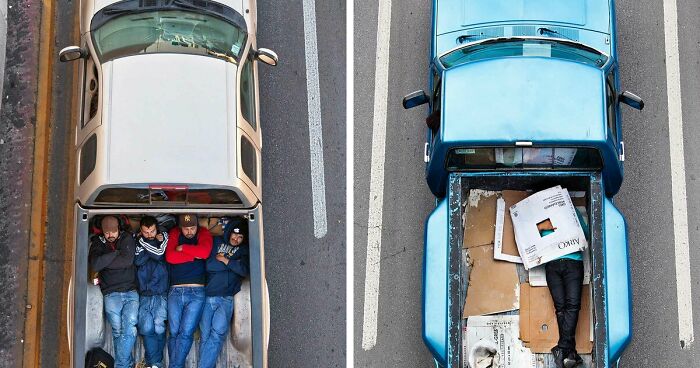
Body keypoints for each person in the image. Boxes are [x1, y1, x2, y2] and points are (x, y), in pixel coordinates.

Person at [199, 218, 250, 368]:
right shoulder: (216, 242)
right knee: (205, 335)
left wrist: (226, 261)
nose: (236, 239)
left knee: (217, 334)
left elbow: (244, 270)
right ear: (229, 233)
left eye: (240, 237)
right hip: (209, 295)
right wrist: (233, 265)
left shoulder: (244, 250)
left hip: (226, 298)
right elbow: (209, 265)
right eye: (234, 236)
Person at [88, 216, 139, 368]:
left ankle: (121, 365)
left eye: (113, 232)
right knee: (117, 332)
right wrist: (115, 253)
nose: (110, 235)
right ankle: (127, 364)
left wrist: (107, 262)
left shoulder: (126, 238)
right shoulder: (98, 242)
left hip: (130, 291)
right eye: (107, 233)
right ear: (103, 232)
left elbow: (127, 261)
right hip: (110, 293)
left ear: (119, 229)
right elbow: (96, 264)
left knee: (129, 327)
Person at [541, 210, 589, 368]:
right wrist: (542, 228)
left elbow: (585, 235)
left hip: (567, 262)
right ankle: (570, 351)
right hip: (558, 264)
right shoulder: (540, 218)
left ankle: (562, 348)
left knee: (571, 306)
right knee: (562, 308)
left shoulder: (569, 211)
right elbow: (532, 241)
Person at [165, 214, 213, 368]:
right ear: (181, 227)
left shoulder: (203, 233)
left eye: (192, 228)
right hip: (175, 290)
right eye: (186, 229)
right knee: (173, 332)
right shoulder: (175, 233)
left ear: (197, 226)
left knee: (185, 332)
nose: (189, 231)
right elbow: (171, 257)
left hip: (196, 291)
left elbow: (205, 253)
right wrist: (194, 255)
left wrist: (183, 248)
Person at [134, 215, 169, 368]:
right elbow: (137, 260)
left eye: (152, 231)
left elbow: (160, 254)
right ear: (141, 231)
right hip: (144, 291)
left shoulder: (164, 236)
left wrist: (144, 244)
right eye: (146, 232)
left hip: (161, 291)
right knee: (146, 328)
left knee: (159, 326)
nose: (149, 235)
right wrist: (152, 247)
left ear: (157, 228)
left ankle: (153, 363)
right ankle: (155, 364)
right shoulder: (138, 241)